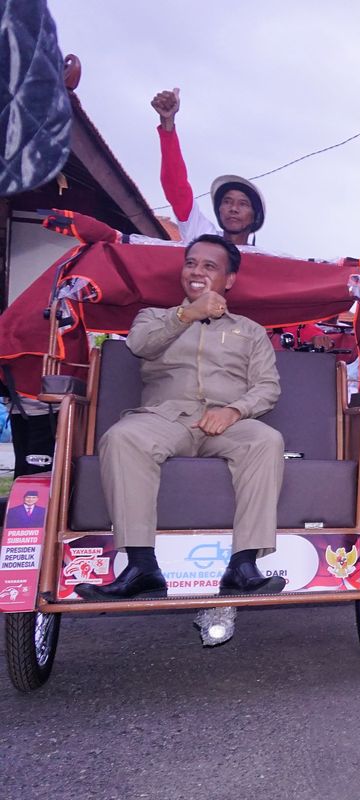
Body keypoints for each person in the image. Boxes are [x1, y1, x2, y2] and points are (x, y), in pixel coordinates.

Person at [76, 235, 286, 601]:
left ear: (230, 279)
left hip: (227, 422)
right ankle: (142, 566)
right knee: (122, 437)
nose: (197, 271)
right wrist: (188, 314)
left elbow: (268, 387)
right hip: (165, 417)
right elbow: (139, 346)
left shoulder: (250, 331)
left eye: (209, 266)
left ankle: (243, 564)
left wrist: (234, 410)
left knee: (266, 440)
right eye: (191, 263)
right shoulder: (154, 317)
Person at [151, 88, 268, 249]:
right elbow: (176, 188)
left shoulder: (266, 261)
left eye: (243, 204)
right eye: (227, 202)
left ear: (255, 216)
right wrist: (167, 124)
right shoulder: (201, 235)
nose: (233, 209)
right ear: (219, 210)